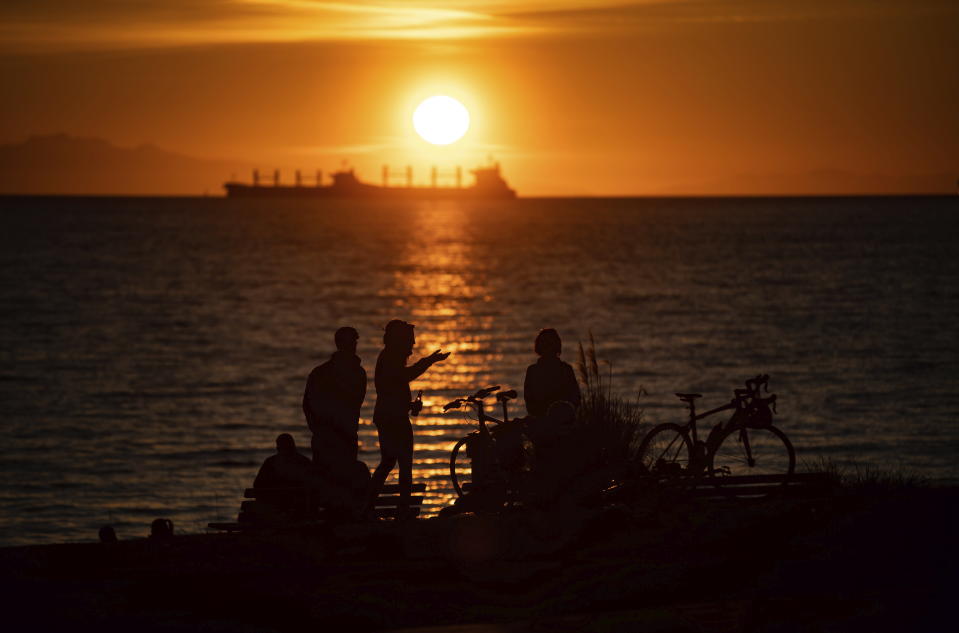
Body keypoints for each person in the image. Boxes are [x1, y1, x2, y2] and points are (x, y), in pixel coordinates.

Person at [367, 319, 449, 518]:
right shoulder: (390, 358)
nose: (412, 346)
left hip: (390, 416)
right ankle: (400, 509)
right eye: (410, 341)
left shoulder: (388, 357)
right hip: (392, 418)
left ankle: (368, 505)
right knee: (402, 463)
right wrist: (428, 361)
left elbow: (393, 388)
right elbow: (405, 376)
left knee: (389, 462)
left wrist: (410, 405)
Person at [302, 326, 369, 497]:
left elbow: (308, 404)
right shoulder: (354, 373)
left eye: (354, 342)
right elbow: (308, 404)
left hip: (337, 435)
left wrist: (318, 428)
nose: (353, 346)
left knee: (333, 482)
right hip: (335, 435)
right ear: (341, 344)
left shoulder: (322, 372)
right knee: (332, 482)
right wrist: (319, 428)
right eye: (350, 342)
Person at [253, 433, 315, 517]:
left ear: (278, 447)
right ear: (293, 446)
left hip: (274, 509)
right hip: (300, 510)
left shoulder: (270, 462)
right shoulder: (304, 462)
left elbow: (257, 485)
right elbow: (312, 485)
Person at [523, 328, 581, 419]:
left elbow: (575, 399)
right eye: (545, 344)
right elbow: (530, 404)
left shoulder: (565, 370)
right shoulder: (533, 371)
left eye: (550, 344)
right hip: (544, 422)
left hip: (561, 422)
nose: (548, 347)